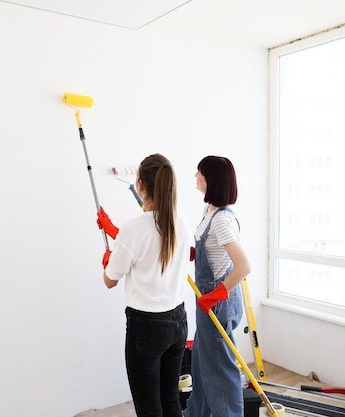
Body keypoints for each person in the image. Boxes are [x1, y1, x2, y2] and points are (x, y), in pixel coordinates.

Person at [96, 153, 193, 417]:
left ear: (140, 184)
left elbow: (109, 280)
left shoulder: (135, 228)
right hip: (177, 322)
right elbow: (152, 245)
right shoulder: (180, 222)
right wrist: (115, 235)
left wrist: (109, 261)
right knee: (170, 401)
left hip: (146, 329)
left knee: (149, 408)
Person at [183, 156, 251, 417]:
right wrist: (193, 252)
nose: (196, 176)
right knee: (202, 366)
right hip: (208, 300)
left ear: (212, 180)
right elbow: (212, 251)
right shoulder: (209, 210)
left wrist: (216, 295)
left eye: (200, 173)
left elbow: (244, 266)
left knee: (220, 372)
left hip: (216, 304)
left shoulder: (222, 220)